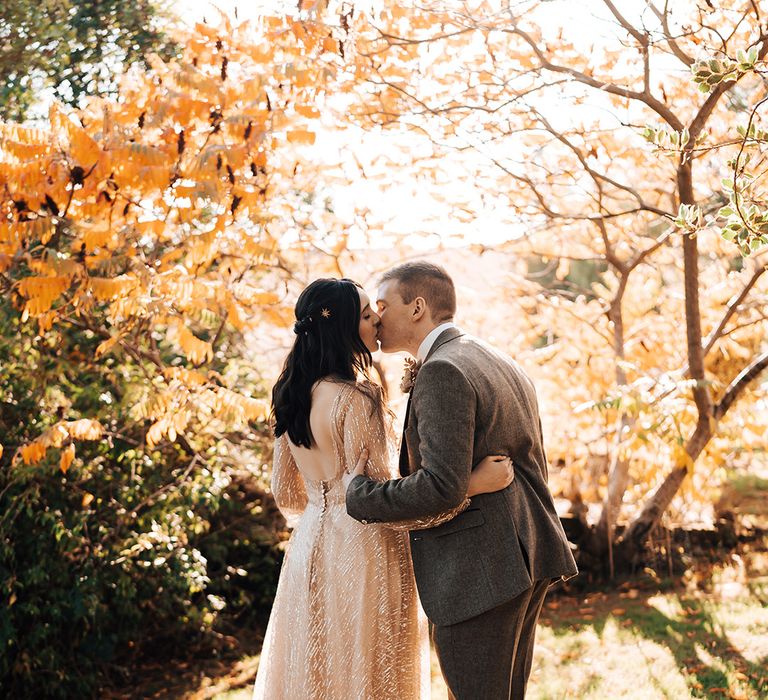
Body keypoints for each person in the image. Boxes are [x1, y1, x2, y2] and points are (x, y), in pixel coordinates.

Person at [253, 277, 514, 699]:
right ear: (341, 328)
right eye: (365, 313)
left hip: (307, 549)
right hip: (365, 546)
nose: (377, 318)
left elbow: (286, 493)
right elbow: (383, 497)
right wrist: (469, 485)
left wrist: (322, 511)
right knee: (371, 669)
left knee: (316, 669)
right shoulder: (357, 399)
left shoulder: (291, 395)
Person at [344, 261, 578, 700]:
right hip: (525, 554)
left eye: (383, 304)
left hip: (480, 570)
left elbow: (440, 486)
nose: (376, 318)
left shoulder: (442, 370)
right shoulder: (493, 356)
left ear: (417, 308)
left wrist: (361, 497)